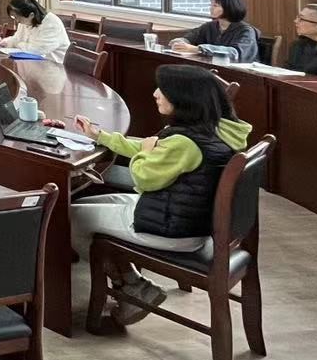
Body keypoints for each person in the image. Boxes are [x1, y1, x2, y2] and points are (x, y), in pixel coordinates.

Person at [70, 64, 251, 325]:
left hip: (170, 229)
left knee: (68, 219)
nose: (155, 93)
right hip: (185, 218)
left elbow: (143, 176)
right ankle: (132, 283)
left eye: (162, 90)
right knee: (81, 204)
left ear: (184, 99)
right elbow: (156, 149)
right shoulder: (215, 129)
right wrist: (100, 136)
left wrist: (144, 152)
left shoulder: (185, 143)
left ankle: (131, 285)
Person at [169, 0, 260, 64]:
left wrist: (199, 49)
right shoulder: (210, 26)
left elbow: (234, 52)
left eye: (215, 6)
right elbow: (191, 37)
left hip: (241, 72)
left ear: (229, 8)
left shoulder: (246, 31)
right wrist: (181, 42)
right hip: (214, 67)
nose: (211, 8)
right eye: (211, 5)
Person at [0, 0, 70, 57]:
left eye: (18, 17)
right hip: (32, 61)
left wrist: (17, 44)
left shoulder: (51, 24)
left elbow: (38, 50)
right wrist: (5, 42)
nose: (17, 21)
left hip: (54, 64)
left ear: (31, 15)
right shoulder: (24, 21)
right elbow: (17, 38)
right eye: (14, 17)